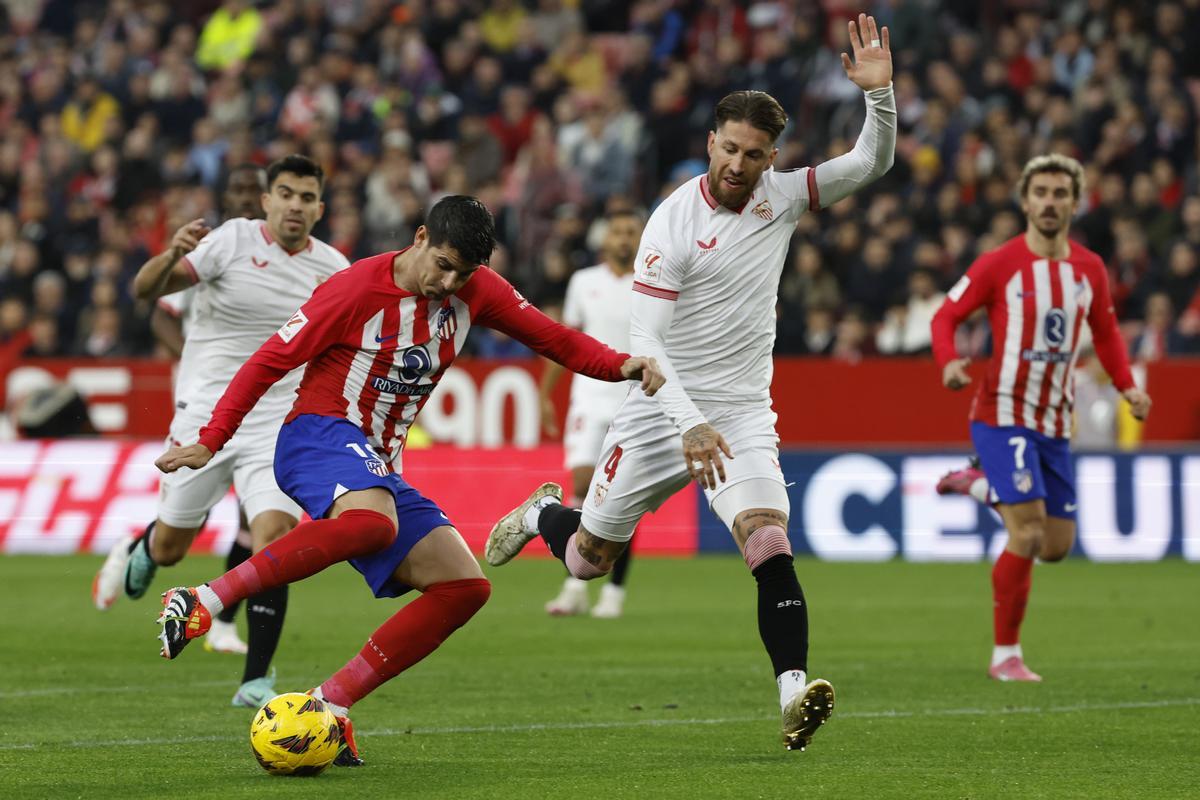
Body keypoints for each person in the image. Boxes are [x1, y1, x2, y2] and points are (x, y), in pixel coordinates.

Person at [485, 13, 896, 753]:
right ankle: (546, 513)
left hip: (738, 411)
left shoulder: (787, 196)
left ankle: (793, 692)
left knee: (767, 539)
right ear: (711, 142)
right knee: (586, 557)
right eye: (730, 148)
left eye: (756, 154)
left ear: (773, 157)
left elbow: (869, 163)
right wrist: (684, 422)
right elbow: (645, 344)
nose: (740, 165)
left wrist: (881, 96)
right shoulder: (671, 225)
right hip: (656, 413)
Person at [152, 195, 664, 766]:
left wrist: (621, 364)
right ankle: (202, 599)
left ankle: (332, 705)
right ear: (419, 237)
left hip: (376, 464)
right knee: (372, 523)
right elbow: (270, 359)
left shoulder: (478, 289)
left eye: (463, 273)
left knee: (464, 588)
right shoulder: (353, 289)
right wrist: (212, 438)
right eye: (442, 264)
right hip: (316, 435)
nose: (449, 282)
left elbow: (553, 338)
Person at [91, 155, 350, 708]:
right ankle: (145, 546)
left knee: (275, 540)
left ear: (320, 208)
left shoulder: (334, 269)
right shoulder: (230, 241)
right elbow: (143, 292)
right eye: (286, 194)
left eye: (307, 198)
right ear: (267, 201)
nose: (295, 206)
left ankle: (256, 679)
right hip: (203, 417)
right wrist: (172, 254)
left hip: (275, 427)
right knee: (172, 546)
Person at [931, 154, 1152, 682]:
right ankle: (1005, 655)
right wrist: (948, 363)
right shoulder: (998, 264)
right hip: (1001, 415)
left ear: (1075, 203)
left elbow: (1106, 334)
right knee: (1026, 534)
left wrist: (1127, 387)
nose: (1050, 202)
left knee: (1056, 547)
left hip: (1056, 423)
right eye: (1042, 193)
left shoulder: (1089, 269)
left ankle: (978, 485)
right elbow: (946, 315)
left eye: (1060, 193)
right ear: (1025, 201)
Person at [141, 163, 271, 658]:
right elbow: (161, 311)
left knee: (263, 524)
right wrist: (195, 362)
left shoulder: (299, 258)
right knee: (174, 543)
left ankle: (225, 627)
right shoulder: (213, 247)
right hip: (205, 400)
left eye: (250, 188)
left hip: (267, 409)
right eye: (235, 188)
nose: (242, 195)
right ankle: (140, 550)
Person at [540, 209, 643, 618]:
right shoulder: (584, 283)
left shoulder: (651, 283)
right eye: (617, 232)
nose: (623, 239)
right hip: (588, 396)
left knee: (620, 495)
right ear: (605, 240)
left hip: (634, 399)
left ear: (640, 239)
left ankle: (613, 592)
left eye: (630, 232)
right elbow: (565, 341)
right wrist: (545, 393)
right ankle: (575, 584)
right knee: (583, 483)